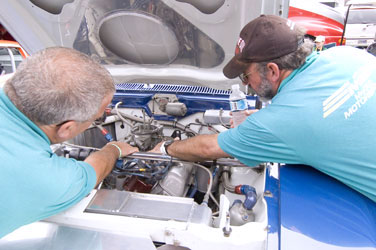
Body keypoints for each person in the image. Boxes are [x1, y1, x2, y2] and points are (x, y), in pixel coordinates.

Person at [152, 15, 376, 203]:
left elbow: (207, 149)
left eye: (246, 75)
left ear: (272, 70)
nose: (246, 84)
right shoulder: (347, 54)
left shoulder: (283, 122)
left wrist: (166, 148)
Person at [0, 47, 139, 238]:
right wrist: (114, 149)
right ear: (67, 128)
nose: (102, 119)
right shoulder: (43, 179)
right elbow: (91, 172)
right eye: (97, 119)